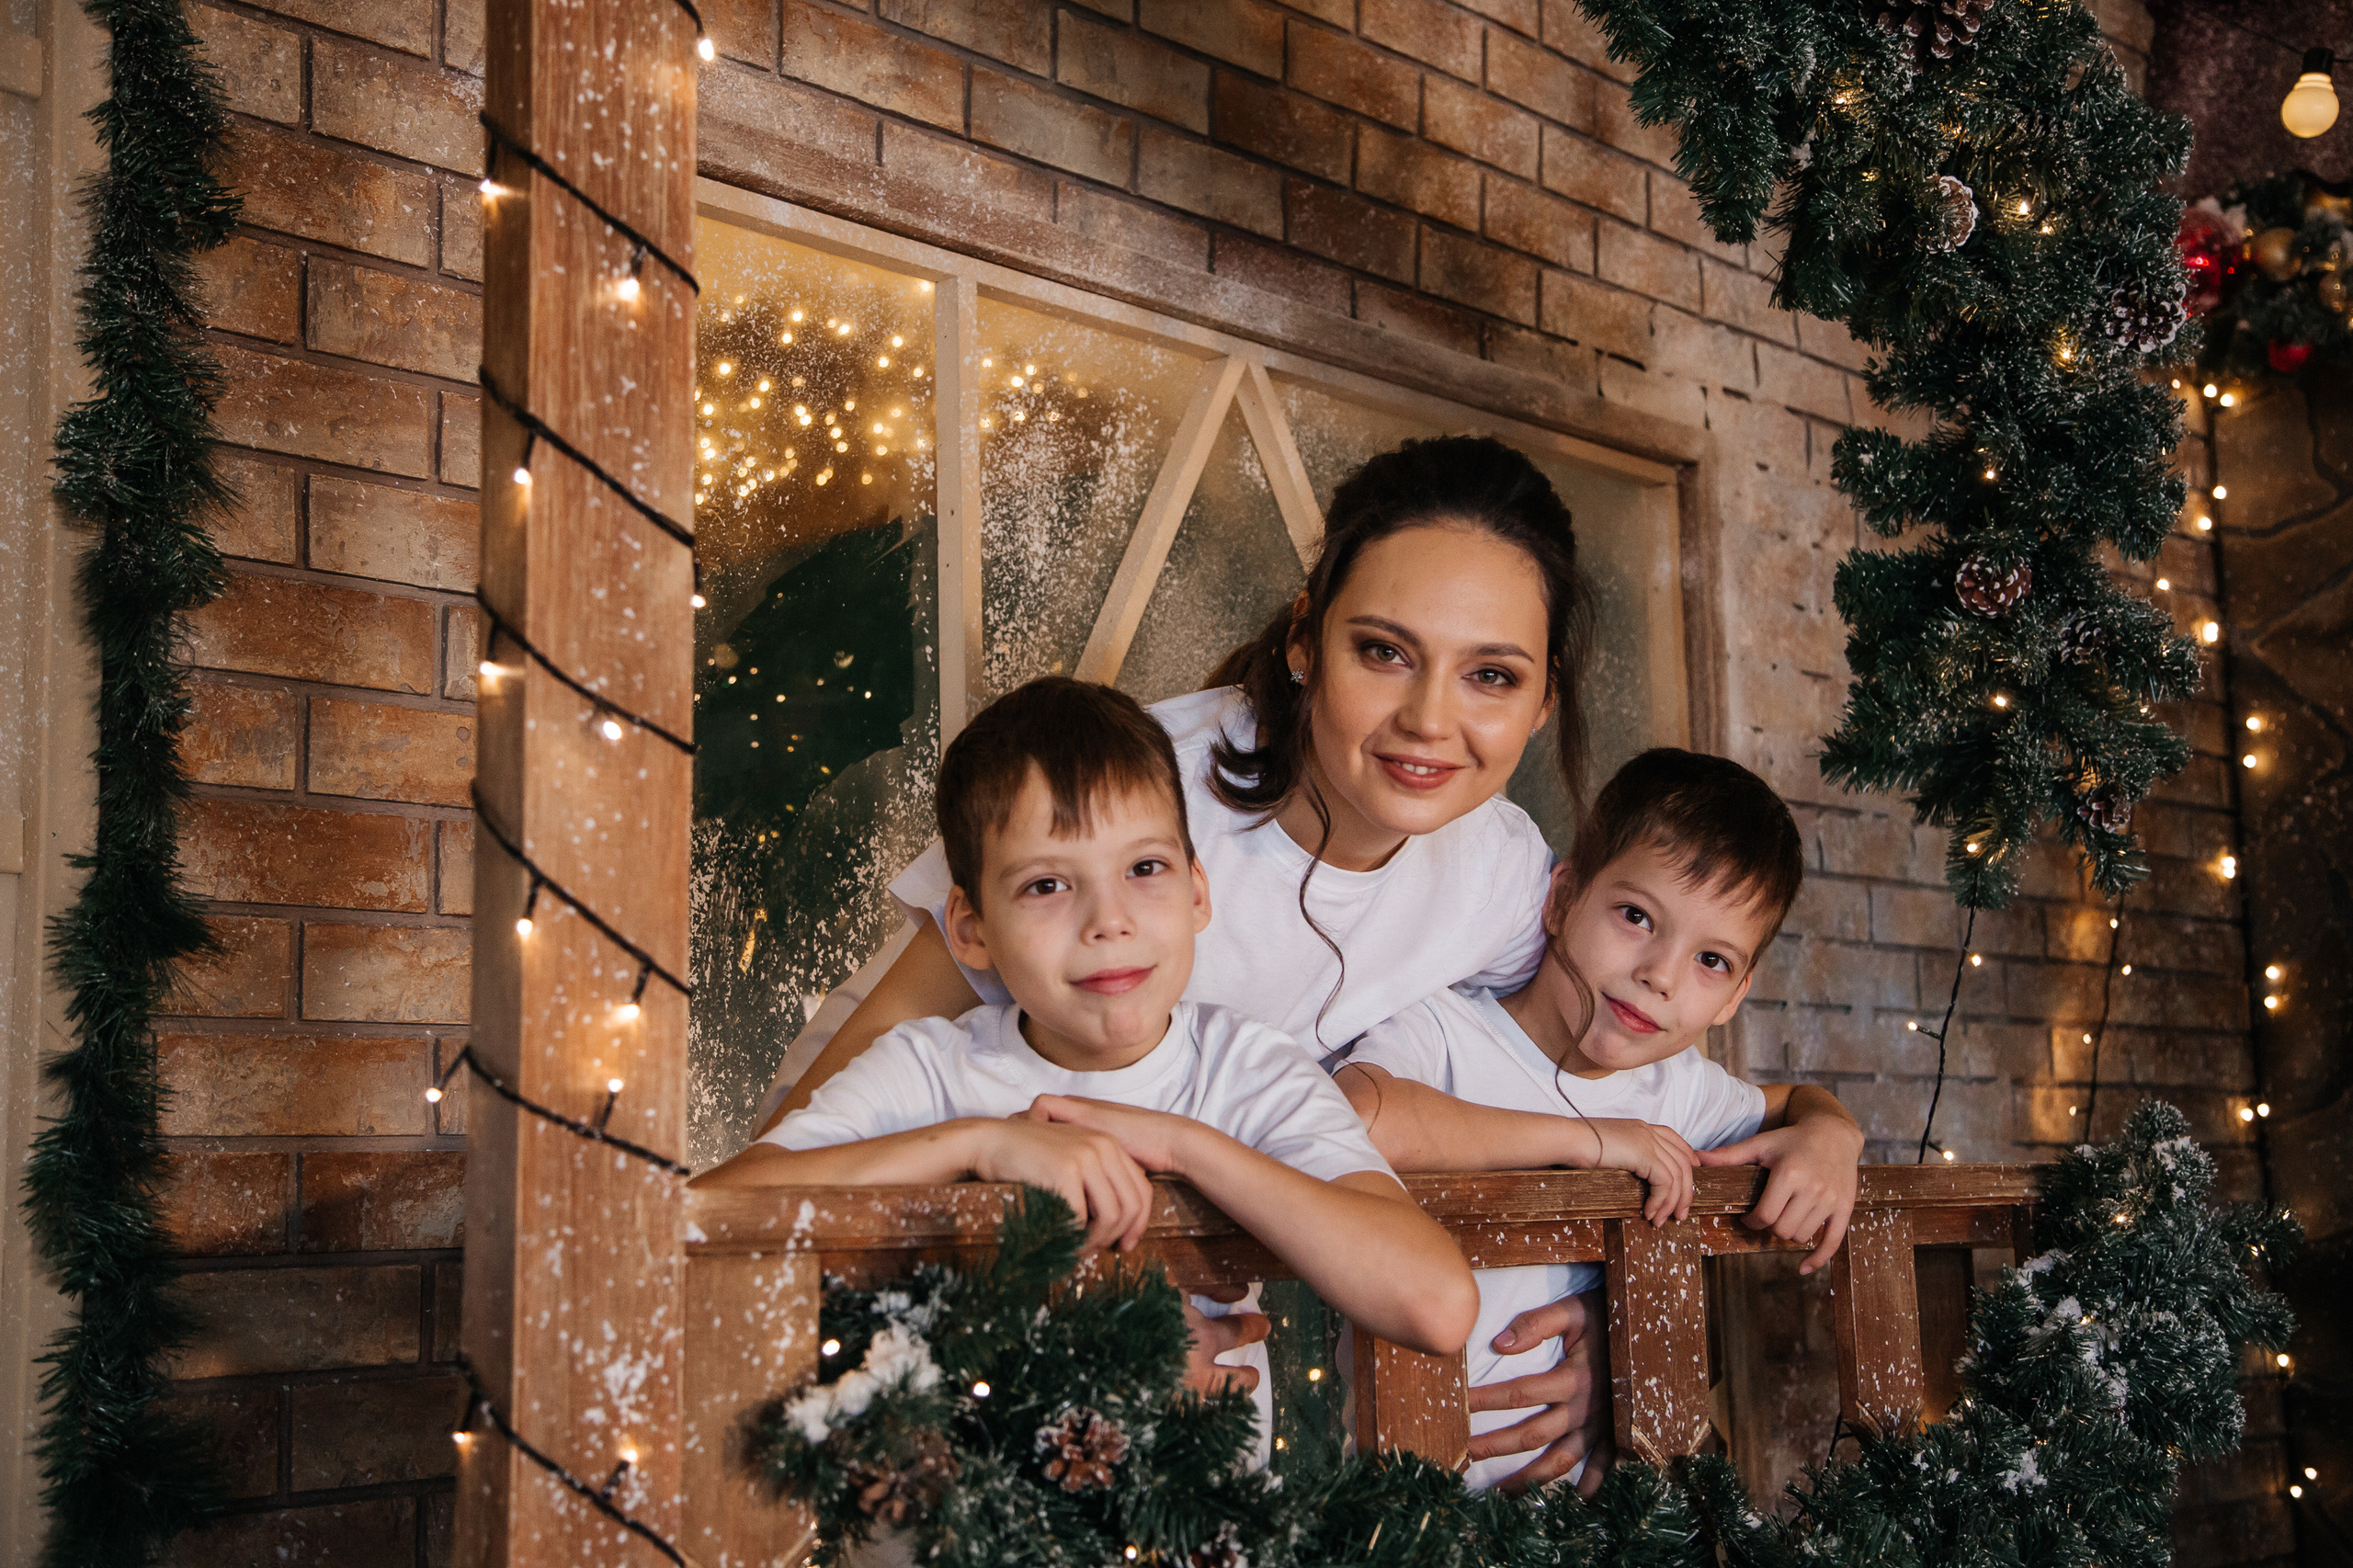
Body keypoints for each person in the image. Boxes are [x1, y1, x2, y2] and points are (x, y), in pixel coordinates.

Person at [751, 435, 1613, 1488]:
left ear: (1544, 700)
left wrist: (1606, 1311)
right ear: (1305, 638)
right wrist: (1070, 1338)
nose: (1430, 718)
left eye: (1491, 674)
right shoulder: (1123, 814)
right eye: (1383, 651)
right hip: (949, 1316)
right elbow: (789, 1172)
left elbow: (1636, 1060)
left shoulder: (1500, 871)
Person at [698, 677, 1481, 1466]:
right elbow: (699, 1218)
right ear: (969, 929)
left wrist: (1184, 1147)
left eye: (1144, 869)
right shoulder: (930, 1072)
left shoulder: (1247, 1074)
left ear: (1198, 890)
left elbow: (1436, 1305)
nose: (1109, 921)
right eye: (1046, 885)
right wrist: (976, 1146)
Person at [1336, 748, 1866, 1491]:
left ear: (1736, 997)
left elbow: (1791, 1104)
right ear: (1561, 902)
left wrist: (1833, 1133)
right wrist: (1586, 1142)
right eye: (1636, 916)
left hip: (1593, 1510)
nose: (1661, 974)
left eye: (1711, 961)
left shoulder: (1675, 1091)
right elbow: (1359, 1114)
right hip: (1404, 1488)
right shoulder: (1448, 1031)